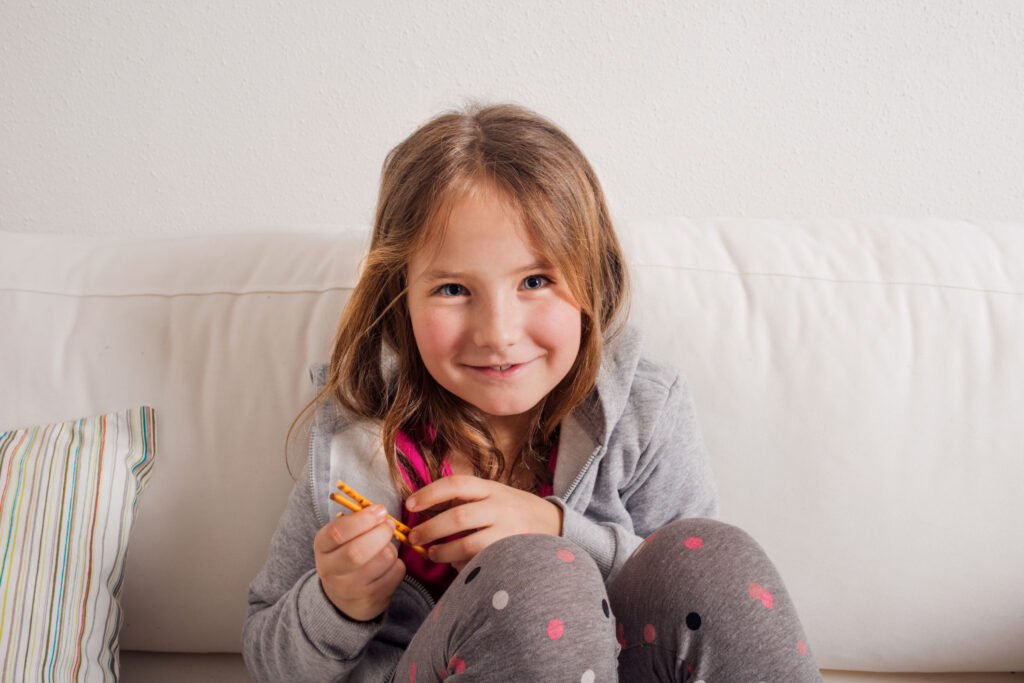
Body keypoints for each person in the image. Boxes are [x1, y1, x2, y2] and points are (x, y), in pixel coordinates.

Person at [243, 103, 822, 682]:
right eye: (451, 289)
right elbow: (266, 655)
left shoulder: (644, 408)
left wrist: (559, 531)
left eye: (535, 281)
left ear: (591, 280)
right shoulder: (363, 433)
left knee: (711, 560)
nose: (498, 333)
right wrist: (337, 605)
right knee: (534, 575)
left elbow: (682, 599)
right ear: (402, 297)